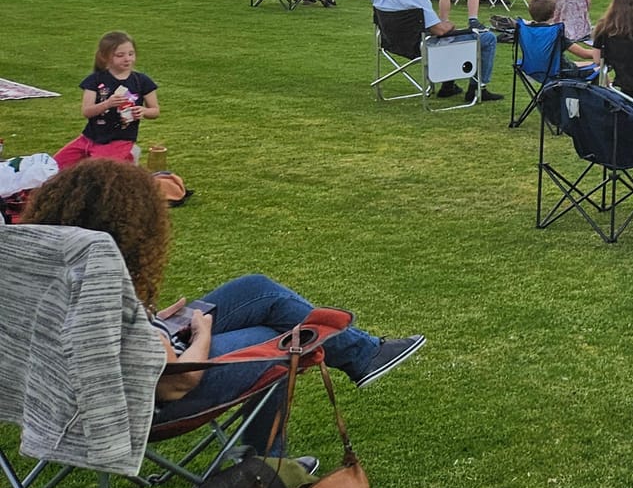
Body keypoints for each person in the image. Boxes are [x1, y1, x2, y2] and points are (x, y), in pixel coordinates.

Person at [23, 159, 423, 460]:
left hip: (54, 404)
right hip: (127, 411)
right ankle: (264, 472)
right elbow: (177, 382)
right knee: (278, 343)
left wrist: (156, 321)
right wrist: (200, 334)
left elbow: (109, 339)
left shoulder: (43, 274)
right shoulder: (109, 289)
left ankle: (363, 354)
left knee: (255, 290)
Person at [371, 0, 500, 101]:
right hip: (420, 46)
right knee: (486, 37)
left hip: (391, 43)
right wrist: (449, 25)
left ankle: (448, 85)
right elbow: (439, 30)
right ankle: (478, 88)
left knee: (449, 38)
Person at [55, 31, 160, 171]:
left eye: (131, 54)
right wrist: (107, 104)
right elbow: (87, 111)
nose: (127, 59)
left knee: (98, 171)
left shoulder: (142, 81)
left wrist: (143, 111)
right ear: (105, 57)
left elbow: (155, 111)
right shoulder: (95, 80)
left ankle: (127, 158)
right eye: (120, 55)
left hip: (120, 140)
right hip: (89, 138)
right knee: (54, 166)